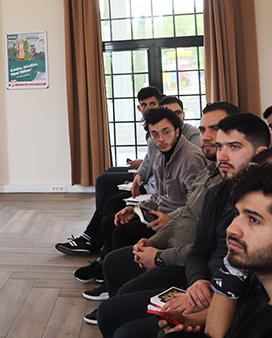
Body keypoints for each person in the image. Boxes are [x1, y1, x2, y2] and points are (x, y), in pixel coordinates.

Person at [97, 112, 270, 337]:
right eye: (220, 146)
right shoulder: (217, 187)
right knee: (112, 303)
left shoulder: (243, 194)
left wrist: (161, 257)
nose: (222, 154)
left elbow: (225, 274)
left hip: (203, 282)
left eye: (234, 147)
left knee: (125, 326)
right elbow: (200, 245)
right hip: (203, 279)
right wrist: (196, 284)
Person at [76, 107, 206, 322]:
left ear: (177, 131)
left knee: (120, 234)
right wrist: (136, 209)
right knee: (112, 222)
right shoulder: (161, 155)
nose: (160, 139)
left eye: (166, 132)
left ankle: (118, 294)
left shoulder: (190, 157)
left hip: (175, 223)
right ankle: (113, 288)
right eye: (155, 134)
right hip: (159, 215)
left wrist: (170, 218)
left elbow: (195, 205)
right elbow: (158, 196)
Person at [160, 161, 272, 337]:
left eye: (254, 220)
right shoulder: (256, 280)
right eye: (237, 214)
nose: (231, 229)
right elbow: (216, 331)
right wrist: (188, 321)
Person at [56, 86, 166, 256]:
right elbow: (151, 159)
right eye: (144, 105)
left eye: (152, 104)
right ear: (139, 108)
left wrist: (140, 176)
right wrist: (139, 172)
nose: (148, 108)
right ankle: (93, 237)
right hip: (147, 179)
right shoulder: (151, 130)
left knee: (108, 192)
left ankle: (92, 239)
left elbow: (158, 165)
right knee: (105, 177)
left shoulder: (169, 133)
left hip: (152, 186)